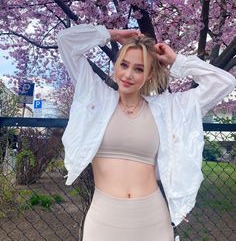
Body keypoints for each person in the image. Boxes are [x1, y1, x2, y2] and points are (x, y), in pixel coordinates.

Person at [57, 24, 235, 241]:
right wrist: (113, 35)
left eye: (139, 69)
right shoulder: (96, 96)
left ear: (149, 75)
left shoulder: (168, 109)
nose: (128, 75)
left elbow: (224, 83)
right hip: (104, 219)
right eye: (124, 65)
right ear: (116, 66)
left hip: (152, 219)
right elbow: (66, 41)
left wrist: (177, 61)